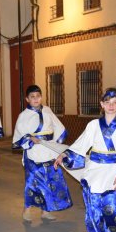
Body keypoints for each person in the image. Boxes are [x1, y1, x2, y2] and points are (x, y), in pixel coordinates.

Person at [54, 88, 116, 232]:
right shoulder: (93, 125)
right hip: (94, 172)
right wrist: (63, 155)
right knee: (92, 209)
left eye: (114, 103)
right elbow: (80, 145)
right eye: (107, 103)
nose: (111, 106)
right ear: (102, 104)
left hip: (112, 173)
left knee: (110, 208)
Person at [12, 84, 72, 222]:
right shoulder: (23, 116)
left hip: (49, 150)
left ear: (41, 97)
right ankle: (27, 208)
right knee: (33, 183)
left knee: (50, 181)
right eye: (32, 97)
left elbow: (59, 127)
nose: (36, 99)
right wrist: (30, 138)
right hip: (34, 152)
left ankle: (46, 211)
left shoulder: (48, 110)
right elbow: (18, 138)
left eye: (38, 96)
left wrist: (56, 144)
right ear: (27, 99)